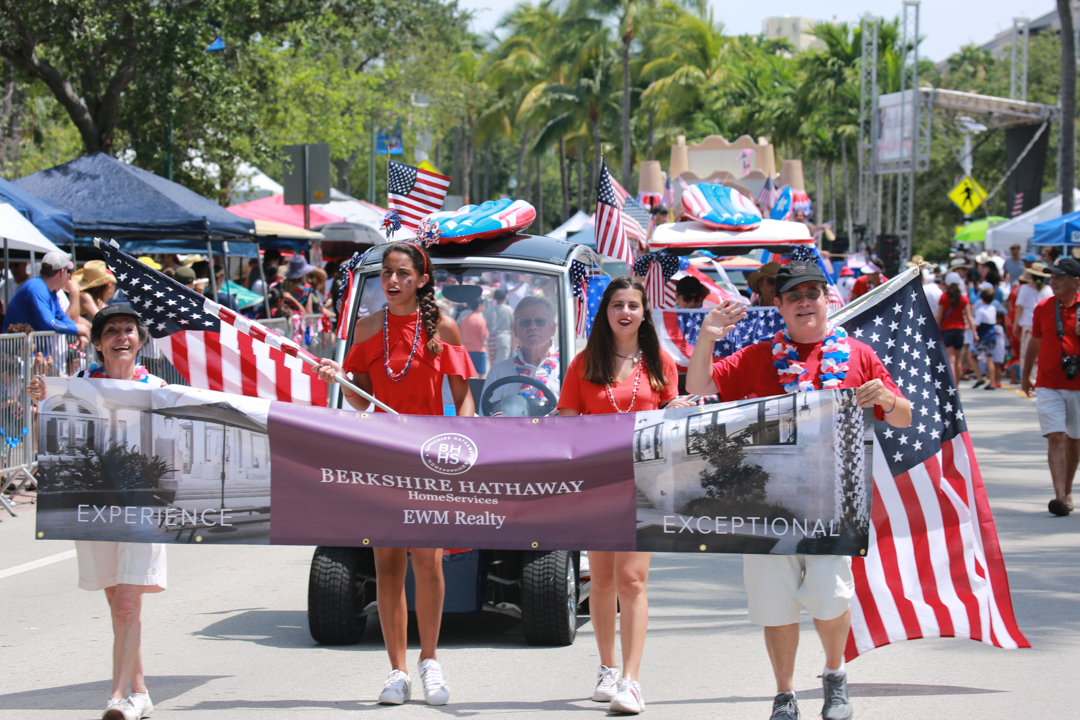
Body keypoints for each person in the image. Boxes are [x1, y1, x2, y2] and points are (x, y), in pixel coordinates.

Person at [685, 260, 910, 720]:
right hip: (764, 503)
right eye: (794, 296)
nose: (804, 302)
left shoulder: (858, 354)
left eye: (812, 293)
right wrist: (707, 335)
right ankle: (784, 694)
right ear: (781, 306)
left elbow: (904, 416)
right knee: (776, 605)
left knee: (831, 596)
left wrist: (886, 398)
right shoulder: (756, 357)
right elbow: (698, 385)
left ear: (827, 299)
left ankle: (834, 675)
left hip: (834, 501)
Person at [314, 241, 475, 706]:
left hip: (429, 459)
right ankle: (397, 671)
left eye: (404, 273)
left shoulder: (443, 327)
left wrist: (460, 445)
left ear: (422, 280)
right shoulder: (367, 328)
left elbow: (463, 398)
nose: (393, 281)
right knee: (387, 565)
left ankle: (430, 661)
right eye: (387, 272)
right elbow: (362, 399)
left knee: (428, 562)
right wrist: (340, 379)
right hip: (383, 458)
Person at [557, 276, 689, 716]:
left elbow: (671, 415)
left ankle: (631, 681)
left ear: (644, 313)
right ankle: (607, 669)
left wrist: (674, 409)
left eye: (633, 305)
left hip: (646, 482)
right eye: (617, 304)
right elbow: (567, 422)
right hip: (597, 484)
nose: (625, 312)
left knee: (631, 579)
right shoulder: (583, 364)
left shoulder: (661, 362)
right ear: (606, 312)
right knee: (602, 580)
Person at [28, 304, 167, 720]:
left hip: (142, 509)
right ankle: (140, 693)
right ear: (99, 344)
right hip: (93, 507)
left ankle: (116, 698)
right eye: (111, 331)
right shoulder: (77, 387)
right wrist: (40, 399)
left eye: (129, 330)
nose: (121, 337)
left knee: (126, 605)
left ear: (140, 341)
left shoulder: (158, 388)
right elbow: (53, 439)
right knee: (119, 606)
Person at [1023, 257, 1080, 516]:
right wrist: (1026, 374)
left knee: (1074, 442)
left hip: (1077, 385)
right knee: (1056, 436)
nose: (1053, 282)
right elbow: (1034, 343)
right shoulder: (1043, 307)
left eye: (1058, 278)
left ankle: (1067, 490)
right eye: (1052, 277)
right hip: (1047, 382)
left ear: (1075, 282)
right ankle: (1059, 497)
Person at [485, 296, 560, 413]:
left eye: (540, 321)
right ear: (515, 330)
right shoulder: (498, 372)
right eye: (525, 322)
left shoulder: (570, 368)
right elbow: (486, 418)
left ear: (553, 328)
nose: (532, 326)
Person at [2, 251, 88, 347]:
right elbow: (49, 323)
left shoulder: (49, 290)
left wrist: (78, 331)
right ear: (62, 272)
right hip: (14, 352)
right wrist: (77, 329)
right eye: (68, 271)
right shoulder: (37, 287)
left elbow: (61, 317)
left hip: (29, 351)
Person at [937, 271, 978, 384]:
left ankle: (953, 388)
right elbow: (969, 317)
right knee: (959, 361)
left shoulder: (944, 297)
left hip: (947, 330)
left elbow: (939, 316)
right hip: (960, 330)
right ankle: (957, 388)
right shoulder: (964, 298)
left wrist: (932, 330)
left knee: (951, 361)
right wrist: (975, 333)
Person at [1015, 263, 1053, 386]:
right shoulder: (1048, 290)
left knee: (1026, 353)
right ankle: (1038, 379)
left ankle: (1026, 380)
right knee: (1041, 352)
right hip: (1044, 324)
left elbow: (1020, 307)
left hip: (1028, 323)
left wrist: (1015, 324)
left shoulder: (1024, 288)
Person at [973, 287, 1001, 389]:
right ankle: (992, 383)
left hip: (983, 336)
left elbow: (977, 323)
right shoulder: (993, 308)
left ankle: (979, 377)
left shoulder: (980, 310)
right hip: (992, 335)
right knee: (990, 359)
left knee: (971, 356)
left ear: (981, 298)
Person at [458, 296, 489, 379]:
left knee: (469, 374)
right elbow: (484, 337)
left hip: (467, 349)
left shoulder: (464, 319)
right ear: (479, 305)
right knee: (481, 374)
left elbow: (461, 334)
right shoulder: (480, 320)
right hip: (479, 350)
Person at [484, 287, 514, 364]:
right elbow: (513, 327)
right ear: (505, 297)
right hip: (505, 338)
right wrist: (514, 344)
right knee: (502, 364)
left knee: (493, 364)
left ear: (494, 298)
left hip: (492, 338)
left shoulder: (490, 310)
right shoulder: (509, 309)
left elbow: (486, 326)